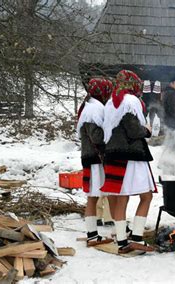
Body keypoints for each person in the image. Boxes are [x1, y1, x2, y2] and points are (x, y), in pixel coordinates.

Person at [102, 70, 156, 252]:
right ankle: (137, 236)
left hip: (113, 153)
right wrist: (147, 130)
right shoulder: (131, 102)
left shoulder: (110, 102)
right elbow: (134, 131)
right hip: (131, 156)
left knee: (121, 199)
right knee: (146, 196)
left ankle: (122, 240)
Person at [76, 77, 114, 246]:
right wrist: (111, 131)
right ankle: (92, 234)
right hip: (94, 158)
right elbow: (96, 137)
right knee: (93, 196)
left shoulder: (91, 106)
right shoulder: (93, 110)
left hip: (92, 157)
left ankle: (114, 227)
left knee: (103, 194)